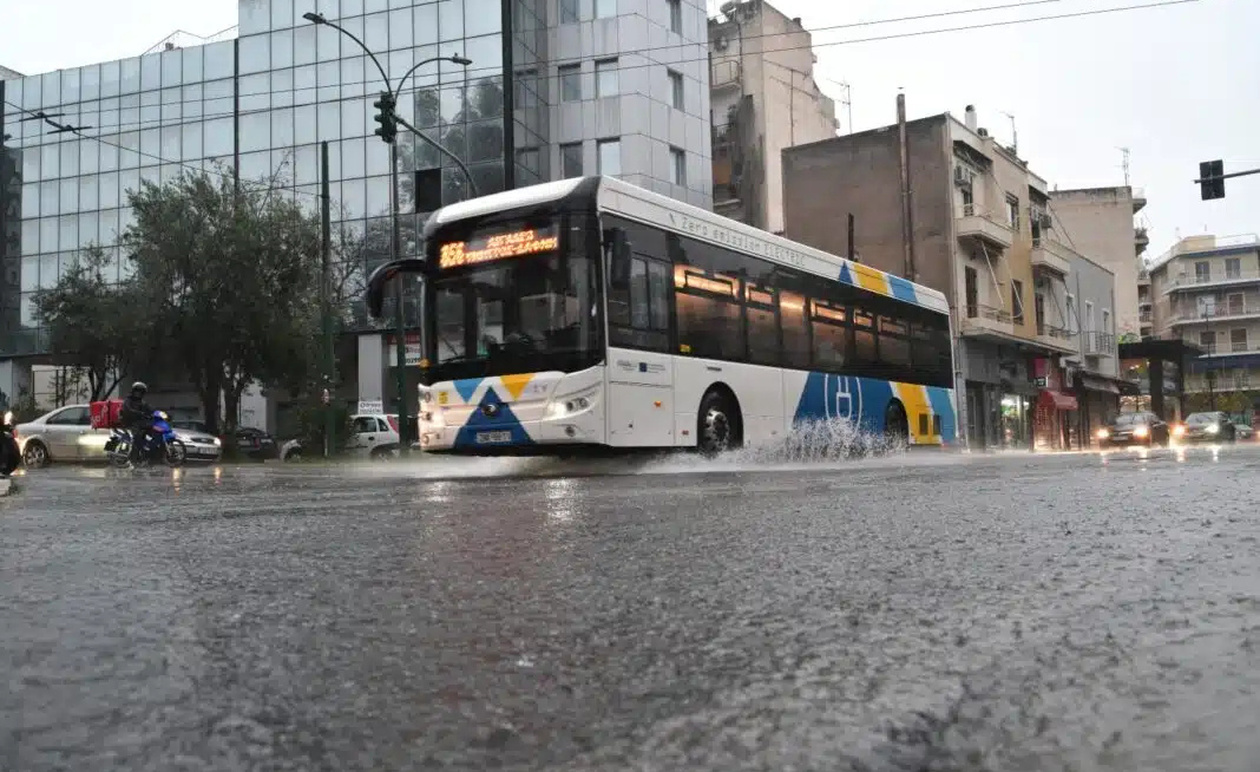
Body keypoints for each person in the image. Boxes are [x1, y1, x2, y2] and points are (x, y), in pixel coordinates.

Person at [119, 381, 154, 464]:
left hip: (139, 423)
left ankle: (147, 452)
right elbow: (127, 410)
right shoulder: (128, 400)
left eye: (141, 392)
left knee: (151, 430)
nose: (139, 394)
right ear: (134, 391)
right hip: (129, 423)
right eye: (138, 391)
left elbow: (149, 409)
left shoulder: (142, 402)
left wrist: (158, 414)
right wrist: (139, 413)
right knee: (137, 437)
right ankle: (133, 458)